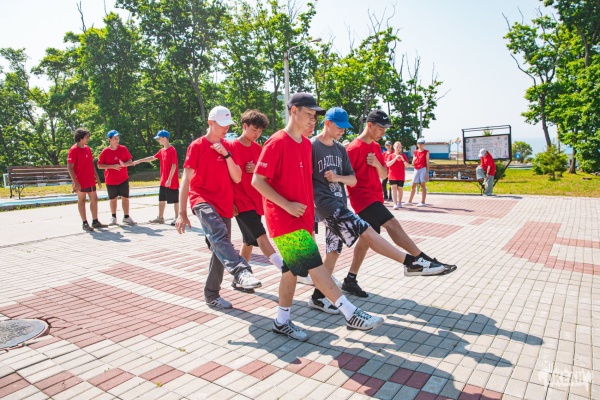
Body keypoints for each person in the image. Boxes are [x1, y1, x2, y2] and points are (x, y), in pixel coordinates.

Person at [252, 93, 384, 341]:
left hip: (303, 218)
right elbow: (257, 181)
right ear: (293, 111)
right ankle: (351, 313)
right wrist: (287, 205)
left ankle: (281, 322)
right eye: (309, 114)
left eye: (315, 116)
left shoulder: (305, 144)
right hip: (284, 220)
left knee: (290, 271)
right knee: (315, 266)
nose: (313, 119)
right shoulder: (276, 142)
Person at [309, 107, 447, 313]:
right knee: (369, 229)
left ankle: (322, 294)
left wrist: (345, 175)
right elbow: (303, 176)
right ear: (327, 123)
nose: (342, 131)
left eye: (345, 128)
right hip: (339, 203)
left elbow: (359, 177)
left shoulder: (341, 149)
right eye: (339, 126)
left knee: (335, 252)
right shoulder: (317, 146)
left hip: (346, 201)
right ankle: (413, 261)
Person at [345, 110, 454, 297]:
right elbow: (347, 178)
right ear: (369, 125)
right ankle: (420, 259)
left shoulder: (376, 147)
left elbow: (384, 175)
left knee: (366, 240)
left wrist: (376, 164)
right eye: (380, 128)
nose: (383, 133)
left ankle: (350, 279)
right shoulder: (352, 149)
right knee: (392, 223)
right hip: (362, 199)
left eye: (385, 129)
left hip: (376, 197)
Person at [176, 105, 262, 310]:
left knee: (219, 248)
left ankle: (211, 294)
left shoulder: (228, 146)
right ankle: (241, 271)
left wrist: (227, 155)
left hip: (224, 204)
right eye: (222, 124)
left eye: (228, 125)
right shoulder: (197, 146)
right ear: (210, 123)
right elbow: (186, 180)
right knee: (219, 233)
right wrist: (181, 212)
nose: (225, 128)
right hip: (202, 199)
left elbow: (237, 177)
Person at [229, 109, 284, 273]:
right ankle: (285, 269)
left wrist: (256, 169)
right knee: (260, 235)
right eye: (254, 130)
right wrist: (230, 201)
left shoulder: (258, 148)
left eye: (260, 131)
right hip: (241, 202)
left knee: (249, 240)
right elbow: (227, 177)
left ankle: (241, 274)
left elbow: (265, 174)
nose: (257, 134)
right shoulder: (231, 147)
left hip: (256, 201)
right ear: (244, 126)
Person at [134, 130, 180, 226]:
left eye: (159, 138)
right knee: (161, 199)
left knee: (175, 200)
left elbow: (174, 165)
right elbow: (152, 157)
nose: (158, 140)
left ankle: (177, 218)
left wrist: (169, 179)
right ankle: (160, 218)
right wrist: (140, 161)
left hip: (171, 181)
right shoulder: (162, 150)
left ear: (164, 138)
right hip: (163, 181)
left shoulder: (172, 150)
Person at [67, 128, 107, 232]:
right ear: (80, 138)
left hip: (90, 180)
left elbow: (91, 164)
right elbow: (70, 167)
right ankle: (85, 223)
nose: (88, 138)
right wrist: (76, 182)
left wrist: (97, 178)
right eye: (86, 137)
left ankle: (95, 221)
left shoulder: (88, 149)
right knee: (82, 200)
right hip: (80, 180)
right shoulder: (73, 150)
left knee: (94, 199)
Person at [97, 130, 136, 226]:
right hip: (111, 179)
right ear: (109, 139)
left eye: (118, 138)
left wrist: (124, 164)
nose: (117, 140)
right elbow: (99, 165)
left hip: (123, 178)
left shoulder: (123, 149)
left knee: (125, 198)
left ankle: (126, 217)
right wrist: (112, 166)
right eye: (114, 138)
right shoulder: (105, 151)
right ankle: (113, 217)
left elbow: (130, 161)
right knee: (113, 199)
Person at [406, 137, 429, 207]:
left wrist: (427, 173)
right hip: (416, 168)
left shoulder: (426, 152)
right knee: (413, 185)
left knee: (423, 185)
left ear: (424, 144)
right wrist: (413, 160)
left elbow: (427, 163)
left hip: (423, 168)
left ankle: (423, 202)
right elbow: (413, 163)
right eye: (419, 143)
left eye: (421, 143)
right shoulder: (415, 152)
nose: (420, 145)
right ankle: (410, 201)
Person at [387, 141, 410, 209]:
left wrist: (403, 160)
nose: (398, 148)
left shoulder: (403, 156)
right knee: (393, 188)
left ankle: (400, 202)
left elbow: (407, 166)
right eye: (397, 147)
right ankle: (395, 204)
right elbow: (388, 164)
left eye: (400, 147)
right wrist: (395, 158)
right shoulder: (390, 156)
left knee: (400, 189)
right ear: (394, 147)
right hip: (392, 175)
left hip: (400, 175)